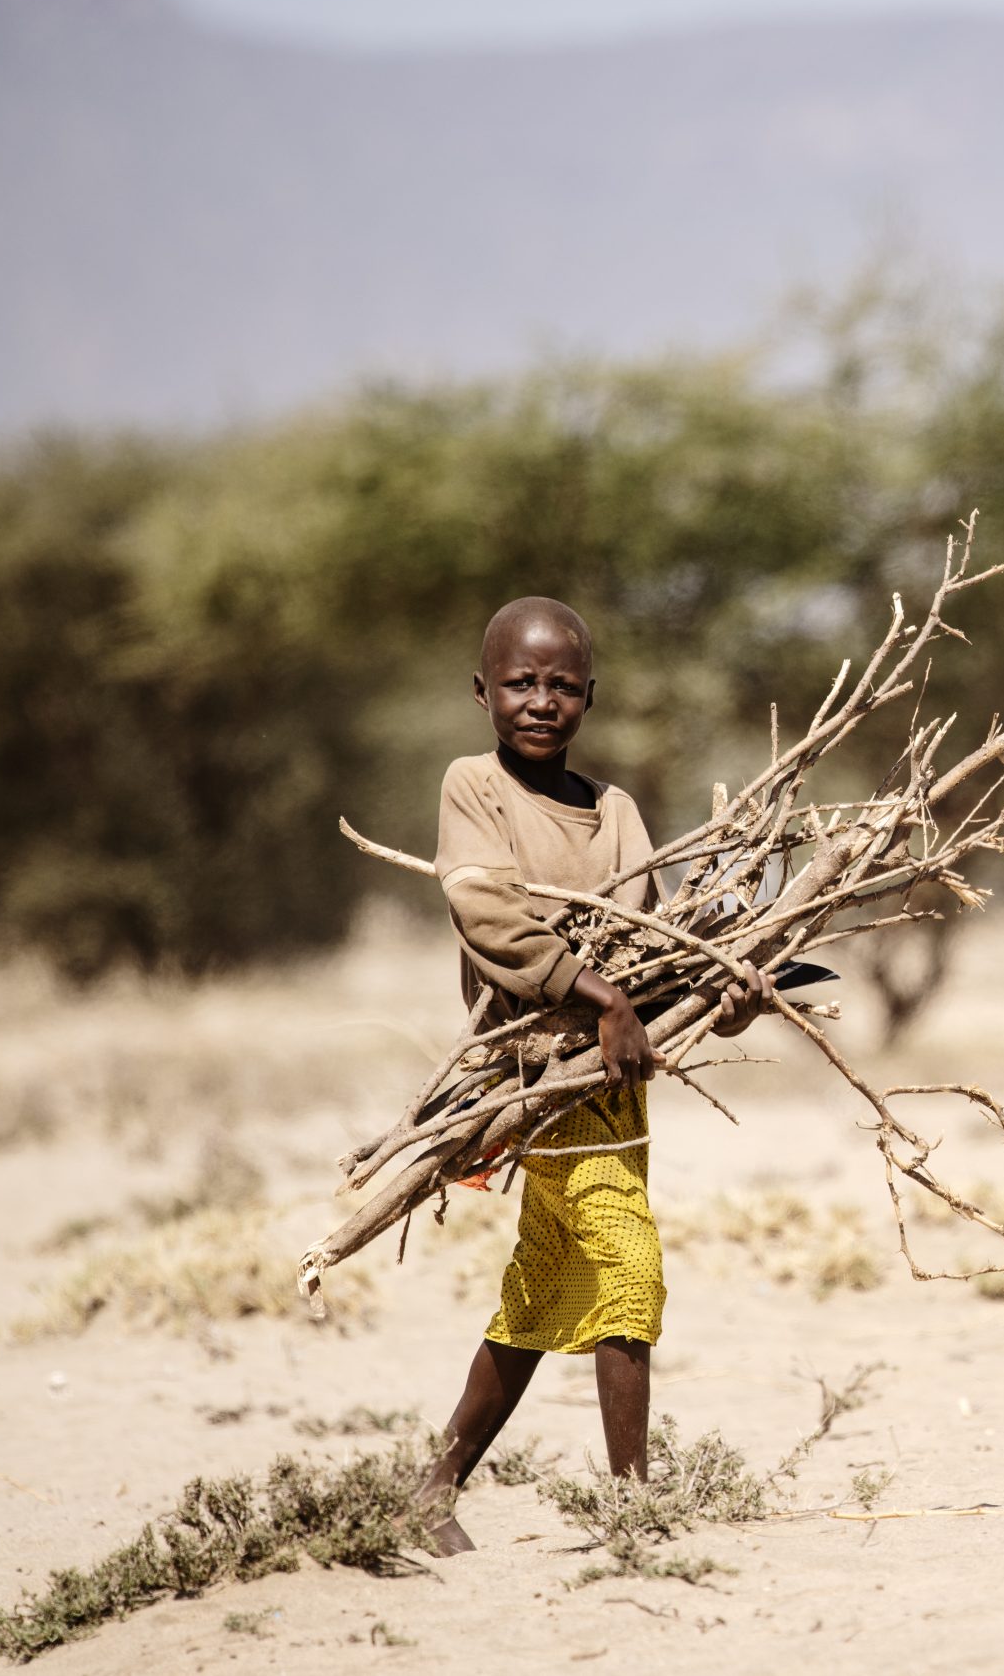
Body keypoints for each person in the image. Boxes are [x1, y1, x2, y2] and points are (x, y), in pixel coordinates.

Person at [412, 595, 773, 1556]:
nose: (541, 701)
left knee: (544, 1279)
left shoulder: (615, 812)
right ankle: (633, 1510)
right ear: (481, 689)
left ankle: (433, 1484)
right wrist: (598, 994)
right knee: (628, 1263)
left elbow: (652, 944)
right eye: (521, 683)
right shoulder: (473, 787)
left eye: (562, 685)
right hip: (535, 1070)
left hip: (610, 1081)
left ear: (589, 697)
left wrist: (720, 990)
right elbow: (487, 911)